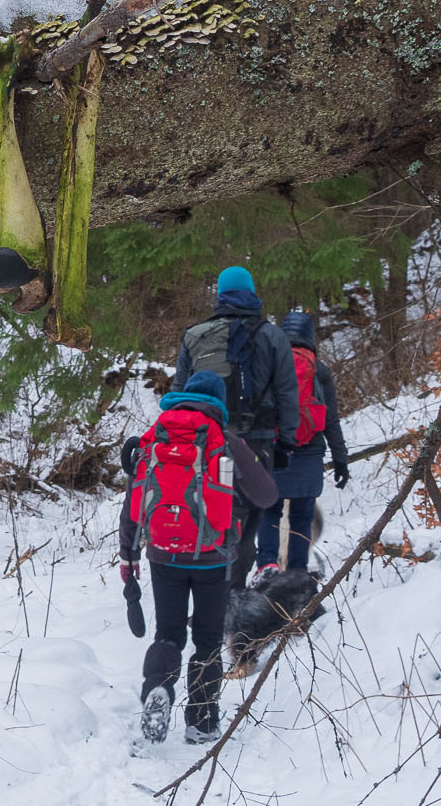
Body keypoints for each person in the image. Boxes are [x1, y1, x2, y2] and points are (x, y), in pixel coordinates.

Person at [119, 371, 279, 745]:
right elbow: (267, 496)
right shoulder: (225, 441)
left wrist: (128, 554)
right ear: (219, 403)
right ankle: (202, 722)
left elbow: (133, 501)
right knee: (207, 640)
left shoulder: (154, 437)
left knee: (168, 634)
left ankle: (159, 688)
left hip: (162, 555)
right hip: (213, 558)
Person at [172, 266, 298, 588]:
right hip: (257, 441)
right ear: (252, 292)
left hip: (206, 441)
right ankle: (235, 593)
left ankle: (206, 591)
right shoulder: (273, 336)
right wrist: (287, 443)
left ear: (220, 296)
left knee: (208, 512)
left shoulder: (195, 335)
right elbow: (286, 392)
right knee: (249, 517)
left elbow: (179, 393)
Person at [256, 311, 349, 575]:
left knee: (270, 511)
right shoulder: (319, 370)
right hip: (309, 452)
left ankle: (267, 565)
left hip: (273, 451)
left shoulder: (270, 365)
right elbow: (331, 420)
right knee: (301, 515)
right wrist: (340, 459)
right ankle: (297, 571)